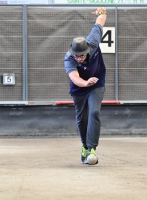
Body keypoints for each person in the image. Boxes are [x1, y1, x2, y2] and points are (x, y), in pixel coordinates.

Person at [64, 7, 107, 165]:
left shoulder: (93, 42)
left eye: (81, 55)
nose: (79, 58)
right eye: (76, 56)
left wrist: (102, 12)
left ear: (87, 50)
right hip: (79, 88)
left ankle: (92, 148)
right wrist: (85, 82)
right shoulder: (69, 59)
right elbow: (75, 78)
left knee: (94, 112)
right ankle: (84, 147)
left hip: (97, 83)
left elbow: (100, 21)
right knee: (82, 119)